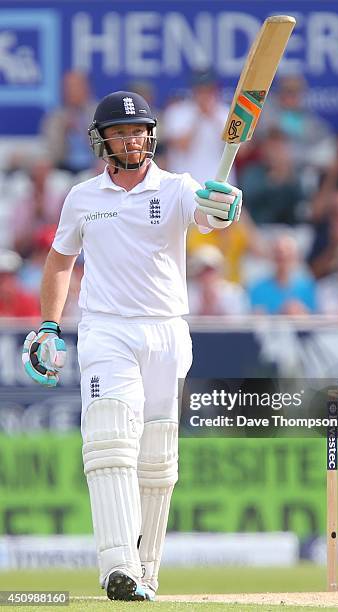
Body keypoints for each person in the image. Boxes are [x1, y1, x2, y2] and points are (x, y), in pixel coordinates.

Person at [22, 91, 242, 601]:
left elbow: (213, 216)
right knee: (109, 442)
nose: (133, 139)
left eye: (140, 130)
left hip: (167, 329)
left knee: (157, 459)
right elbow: (59, 262)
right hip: (106, 330)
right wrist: (50, 326)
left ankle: (145, 570)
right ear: (102, 140)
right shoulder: (82, 197)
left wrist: (227, 206)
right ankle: (116, 566)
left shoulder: (178, 187)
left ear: (151, 136)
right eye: (122, 132)